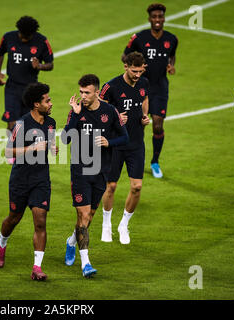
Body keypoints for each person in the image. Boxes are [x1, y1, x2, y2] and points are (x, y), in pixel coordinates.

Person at [61, 74, 129, 278]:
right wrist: (74, 114)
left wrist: (109, 143)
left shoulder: (110, 111)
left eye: (87, 93)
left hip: (100, 171)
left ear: (97, 92)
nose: (82, 96)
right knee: (82, 216)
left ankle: (71, 242)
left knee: (89, 217)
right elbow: (65, 139)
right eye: (81, 92)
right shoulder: (76, 112)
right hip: (80, 170)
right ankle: (86, 264)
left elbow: (124, 136)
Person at [0, 82, 57, 281]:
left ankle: (37, 267)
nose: (51, 103)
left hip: (41, 179)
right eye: (47, 101)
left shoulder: (51, 122)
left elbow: (49, 143)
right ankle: (2, 242)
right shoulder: (21, 124)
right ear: (36, 104)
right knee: (14, 218)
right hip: (20, 179)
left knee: (40, 220)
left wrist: (52, 147)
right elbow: (7, 152)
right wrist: (31, 149)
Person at [122, 3, 178, 178]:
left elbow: (172, 55)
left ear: (164, 18)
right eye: (154, 17)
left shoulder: (172, 39)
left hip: (160, 87)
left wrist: (171, 65)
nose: (157, 20)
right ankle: (132, 158)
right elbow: (125, 55)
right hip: (141, 87)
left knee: (158, 124)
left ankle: (155, 161)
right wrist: (135, 65)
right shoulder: (139, 37)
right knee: (138, 124)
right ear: (149, 19)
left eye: (160, 16)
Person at [99, 52, 150, 244]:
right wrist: (115, 118)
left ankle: (123, 225)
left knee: (136, 187)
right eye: (134, 71)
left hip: (136, 143)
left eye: (140, 71)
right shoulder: (111, 87)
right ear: (125, 67)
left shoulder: (144, 83)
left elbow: (144, 99)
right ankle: (106, 224)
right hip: (114, 144)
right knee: (111, 186)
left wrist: (145, 116)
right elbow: (99, 111)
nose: (137, 75)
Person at [0, 16, 54, 134]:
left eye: (26, 37)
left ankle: (24, 150)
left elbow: (50, 64)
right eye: (21, 35)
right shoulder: (8, 37)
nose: (23, 39)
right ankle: (12, 150)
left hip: (31, 90)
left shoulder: (42, 41)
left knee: (27, 124)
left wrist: (39, 66)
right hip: (12, 86)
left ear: (33, 33)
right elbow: (0, 53)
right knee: (12, 123)